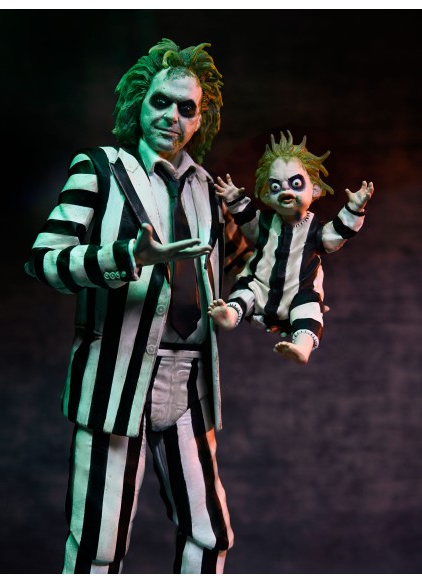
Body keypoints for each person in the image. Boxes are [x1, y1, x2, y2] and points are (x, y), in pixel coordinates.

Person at [24, 38, 252, 574]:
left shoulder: (209, 190)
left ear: (200, 120)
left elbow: (250, 266)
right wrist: (127, 255)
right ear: (137, 103)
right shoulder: (100, 169)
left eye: (186, 107)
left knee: (210, 534)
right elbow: (44, 261)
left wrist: (290, 280)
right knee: (99, 542)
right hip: (117, 378)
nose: (172, 116)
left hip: (190, 380)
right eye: (160, 101)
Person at [208, 131, 375, 365]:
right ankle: (231, 314)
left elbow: (336, 234)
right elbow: (247, 221)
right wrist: (234, 200)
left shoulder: (314, 229)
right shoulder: (265, 222)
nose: (286, 191)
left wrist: (354, 210)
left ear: (314, 189)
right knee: (245, 290)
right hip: (261, 286)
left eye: (296, 184)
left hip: (300, 293)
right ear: (267, 195)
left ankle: (302, 348)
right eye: (276, 186)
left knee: (309, 312)